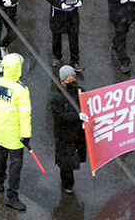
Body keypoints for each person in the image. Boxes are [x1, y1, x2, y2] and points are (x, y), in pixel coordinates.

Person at [0, 53, 32, 211]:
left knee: (1, 155)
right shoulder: (21, 90)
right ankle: (11, 196)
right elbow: (25, 114)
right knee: (15, 165)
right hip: (15, 135)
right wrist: (26, 135)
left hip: (0, 130)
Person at [51, 66, 88, 195]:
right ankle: (67, 184)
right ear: (62, 81)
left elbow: (86, 104)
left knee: (74, 156)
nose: (72, 81)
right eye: (69, 79)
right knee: (66, 161)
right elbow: (60, 117)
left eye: (73, 78)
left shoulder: (79, 91)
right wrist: (77, 116)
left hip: (77, 132)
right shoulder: (56, 98)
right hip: (64, 134)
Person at [44, 0, 83, 70]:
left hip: (73, 12)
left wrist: (79, 0)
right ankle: (57, 57)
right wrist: (60, 4)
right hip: (58, 13)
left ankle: (75, 60)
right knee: (57, 35)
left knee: (74, 35)